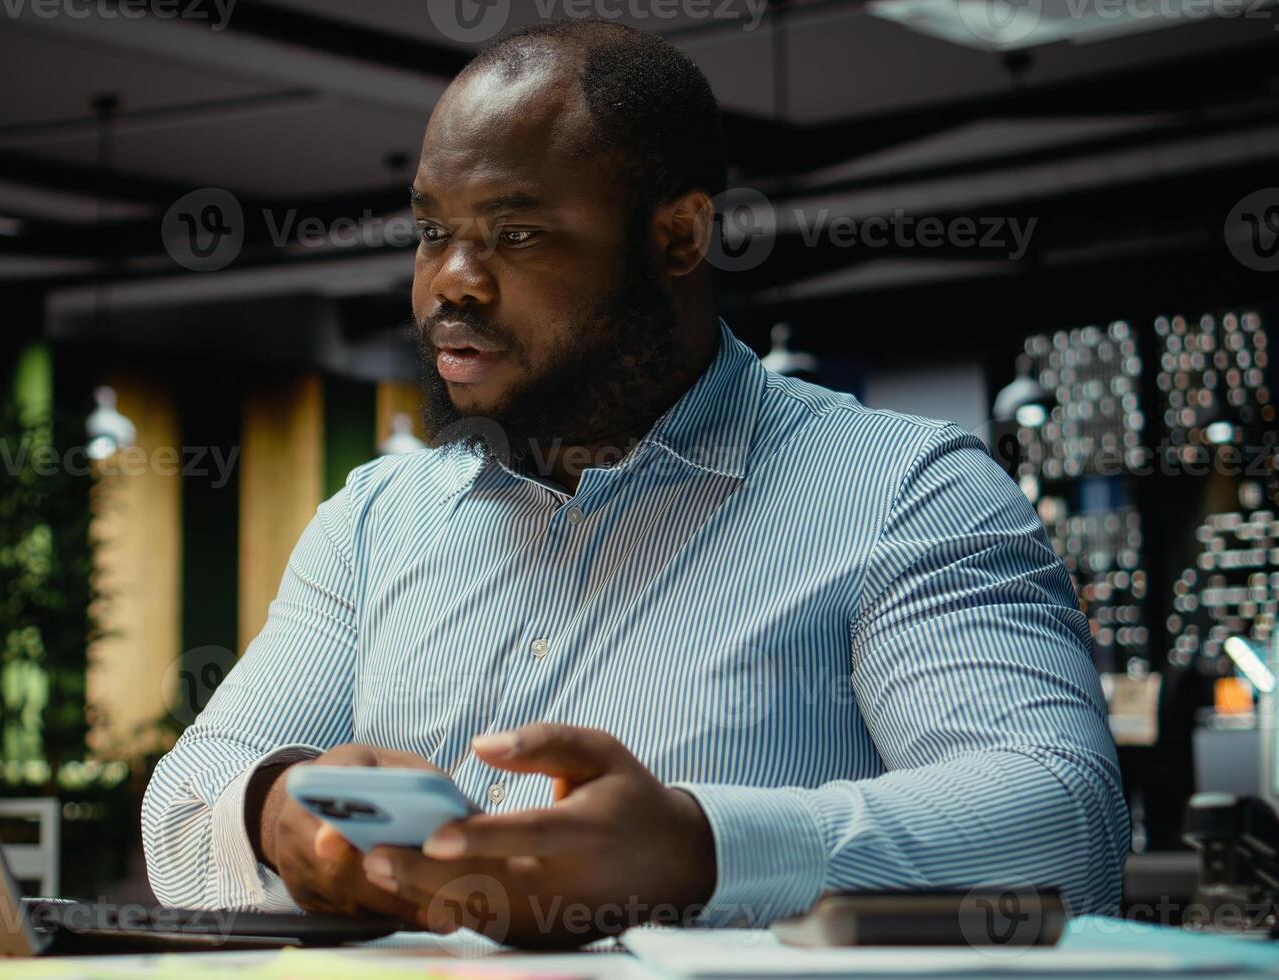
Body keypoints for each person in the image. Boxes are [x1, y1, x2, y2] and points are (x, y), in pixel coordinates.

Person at [142, 20, 1127, 947]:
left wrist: (699, 849)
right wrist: (277, 810)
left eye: (514, 234)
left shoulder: (906, 491)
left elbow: (1060, 821)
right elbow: (184, 804)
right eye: (432, 232)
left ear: (678, 237)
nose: (451, 281)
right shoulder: (373, 521)